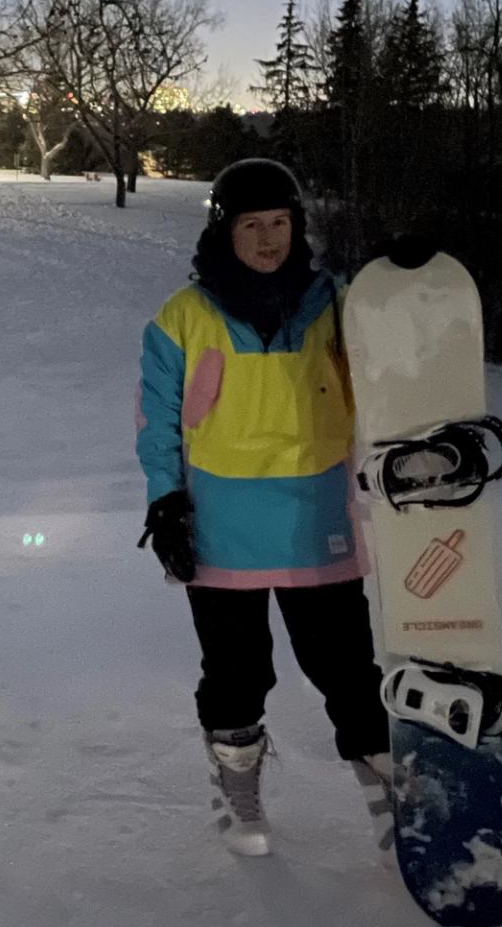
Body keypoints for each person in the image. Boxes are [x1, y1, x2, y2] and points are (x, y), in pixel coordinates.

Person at [136, 158, 393, 858]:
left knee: (347, 667)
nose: (269, 238)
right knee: (237, 673)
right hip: (220, 526)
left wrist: (403, 284)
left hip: (316, 516)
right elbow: (157, 419)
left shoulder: (334, 301)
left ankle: (387, 792)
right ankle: (239, 787)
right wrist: (165, 501)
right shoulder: (181, 318)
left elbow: (393, 351)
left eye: (280, 223)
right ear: (226, 231)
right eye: (253, 225)